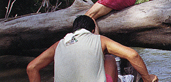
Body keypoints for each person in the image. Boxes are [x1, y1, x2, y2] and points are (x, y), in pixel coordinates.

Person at [26, 15, 158, 82]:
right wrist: (147, 79)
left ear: (74, 30)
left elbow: (32, 67)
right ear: (93, 30)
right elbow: (133, 55)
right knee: (110, 58)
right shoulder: (99, 40)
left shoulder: (60, 44)